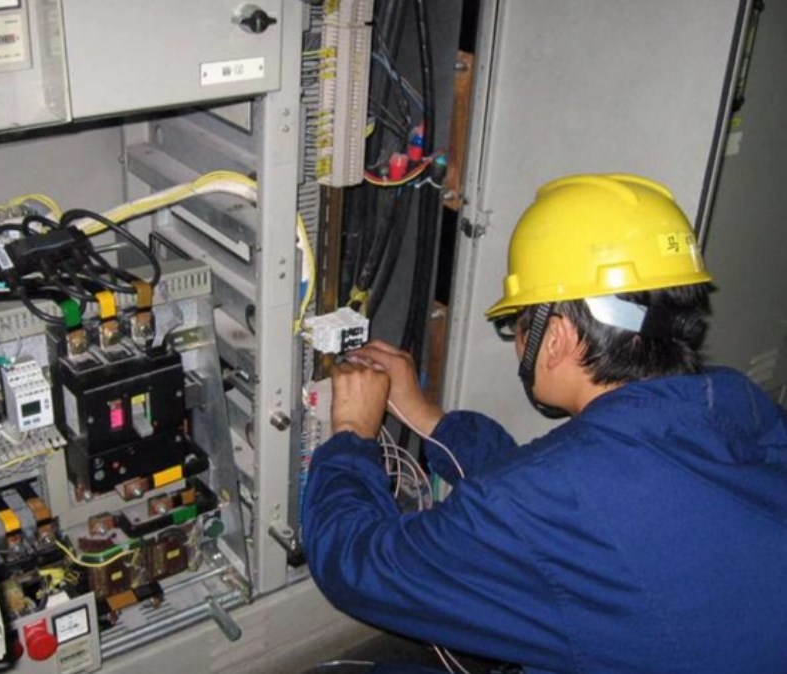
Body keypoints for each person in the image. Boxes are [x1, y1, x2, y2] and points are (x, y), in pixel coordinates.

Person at [302, 174, 787, 674]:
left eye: (516, 324)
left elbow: (357, 565)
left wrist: (352, 433)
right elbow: (552, 493)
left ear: (554, 337)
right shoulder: (735, 403)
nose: (517, 342)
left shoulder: (558, 494)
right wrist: (428, 418)